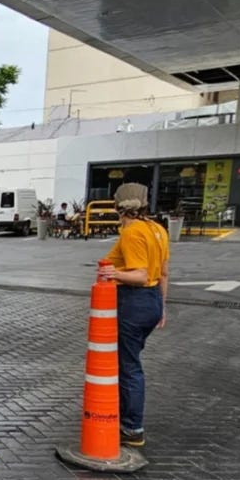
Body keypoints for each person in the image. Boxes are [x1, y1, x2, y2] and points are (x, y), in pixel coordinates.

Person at [97, 183, 169, 448]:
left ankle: (132, 427)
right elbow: (162, 273)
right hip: (150, 301)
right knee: (129, 362)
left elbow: (139, 275)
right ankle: (124, 417)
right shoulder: (157, 230)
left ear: (119, 206)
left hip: (133, 301)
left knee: (128, 367)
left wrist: (113, 274)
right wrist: (161, 306)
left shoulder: (132, 233)